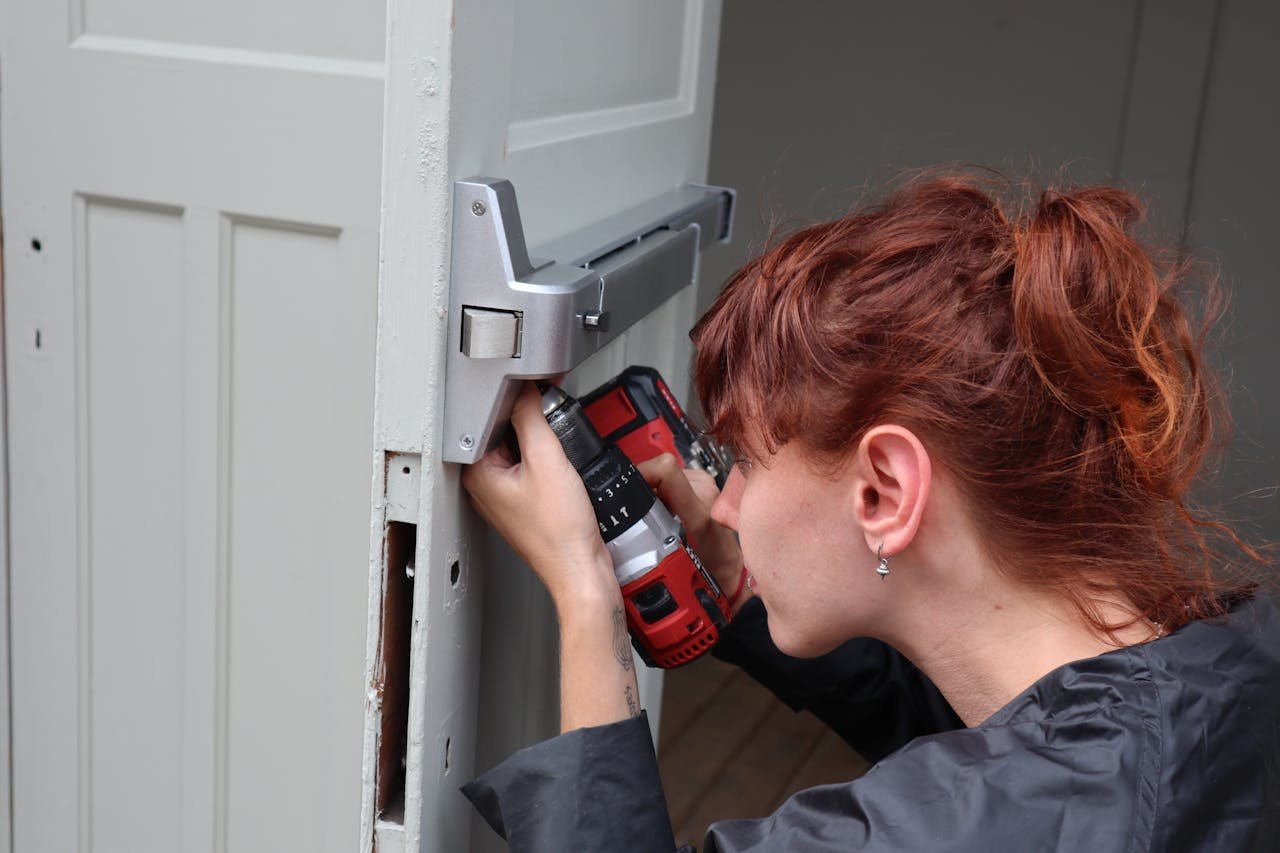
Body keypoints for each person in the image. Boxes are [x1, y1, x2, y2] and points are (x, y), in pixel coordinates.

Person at [459, 173, 1280, 851]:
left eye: (744, 458)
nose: (728, 500)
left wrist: (584, 590)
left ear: (885, 491)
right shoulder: (1234, 667)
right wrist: (740, 588)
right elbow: (1012, 747)